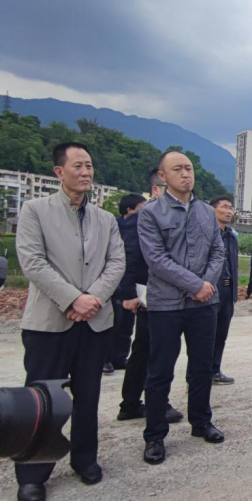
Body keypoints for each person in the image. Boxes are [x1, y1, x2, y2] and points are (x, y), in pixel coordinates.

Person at [13, 142, 125, 501]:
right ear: (59, 172)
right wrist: (73, 299)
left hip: (94, 322)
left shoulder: (105, 219)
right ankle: (33, 474)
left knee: (88, 396)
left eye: (89, 166)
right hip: (49, 322)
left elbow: (116, 264)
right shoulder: (35, 210)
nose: (86, 172)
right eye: (78, 166)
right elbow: (32, 262)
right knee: (43, 398)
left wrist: (92, 299)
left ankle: (85, 459)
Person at [138, 151, 225, 465]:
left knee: (202, 367)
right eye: (177, 169)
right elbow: (156, 260)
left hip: (204, 303)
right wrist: (195, 285)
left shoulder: (206, 212)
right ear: (163, 176)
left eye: (188, 168)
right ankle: (155, 435)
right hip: (166, 305)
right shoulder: (151, 213)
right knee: (160, 371)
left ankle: (201, 421)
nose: (186, 174)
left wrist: (206, 285)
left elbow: (218, 252)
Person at [116, 170, 184, 424]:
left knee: (144, 349)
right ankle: (155, 403)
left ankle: (131, 402)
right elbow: (127, 257)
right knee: (156, 351)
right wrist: (128, 294)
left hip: (162, 293)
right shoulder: (142, 218)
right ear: (156, 189)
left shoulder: (168, 217)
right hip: (149, 294)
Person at [103, 193, 147, 375]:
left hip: (133, 281)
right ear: (130, 210)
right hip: (115, 281)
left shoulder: (140, 227)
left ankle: (120, 358)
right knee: (113, 321)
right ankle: (105, 359)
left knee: (127, 323)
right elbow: (126, 256)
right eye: (141, 209)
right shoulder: (116, 226)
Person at [210, 196, 239, 385]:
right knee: (207, 334)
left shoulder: (231, 237)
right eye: (224, 207)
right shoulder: (207, 234)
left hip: (228, 290)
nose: (229, 211)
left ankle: (215, 370)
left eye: (230, 207)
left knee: (221, 334)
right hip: (212, 289)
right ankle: (199, 375)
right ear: (212, 210)